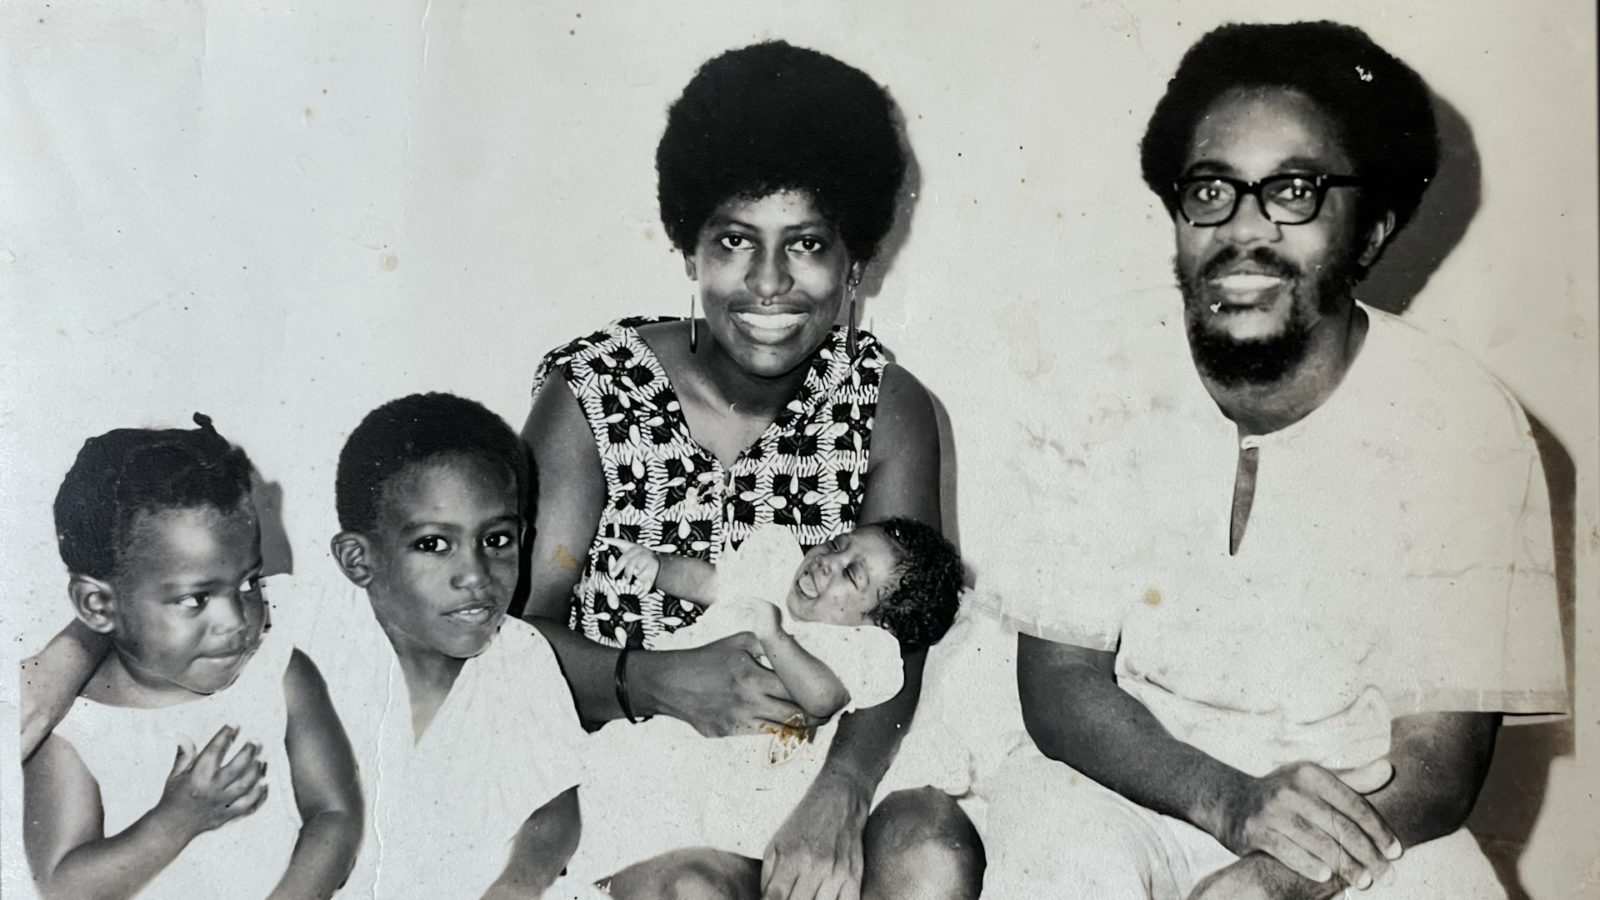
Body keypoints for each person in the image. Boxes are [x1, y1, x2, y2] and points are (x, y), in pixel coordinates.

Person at [983, 21, 1569, 900]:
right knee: (1056, 850)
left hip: (1362, 820)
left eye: (1293, 190)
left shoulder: (1461, 422)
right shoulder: (1092, 380)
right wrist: (1226, 805)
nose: (1243, 230)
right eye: (1210, 191)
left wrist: (1276, 876)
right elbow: (1062, 687)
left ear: (1369, 232)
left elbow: (1440, 768)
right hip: (1138, 788)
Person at [522, 40, 983, 900]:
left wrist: (838, 798)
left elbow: (901, 645)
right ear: (689, 246)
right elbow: (511, 641)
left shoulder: (887, 408)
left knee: (933, 851)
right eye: (735, 240)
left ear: (855, 262)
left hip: (829, 756)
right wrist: (650, 679)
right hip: (649, 766)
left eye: (806, 243)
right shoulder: (590, 396)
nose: (768, 284)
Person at [22, 415, 362, 899]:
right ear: (99, 606)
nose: (236, 621)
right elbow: (63, 887)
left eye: (247, 584)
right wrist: (177, 820)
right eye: (193, 599)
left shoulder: (279, 673)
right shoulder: (73, 730)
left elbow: (336, 814)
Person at [310, 392, 604, 899]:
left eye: (497, 540)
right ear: (359, 560)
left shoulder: (520, 654)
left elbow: (554, 803)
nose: (475, 575)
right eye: (433, 544)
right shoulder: (326, 659)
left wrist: (517, 884)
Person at [587, 520, 962, 862]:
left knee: (687, 836)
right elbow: (709, 583)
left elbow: (823, 697)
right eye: (835, 545)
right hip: (679, 722)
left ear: (877, 623)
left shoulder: (853, 649)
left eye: (851, 573)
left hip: (742, 779)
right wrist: (659, 567)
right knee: (617, 787)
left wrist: (774, 635)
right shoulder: (771, 576)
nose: (827, 562)